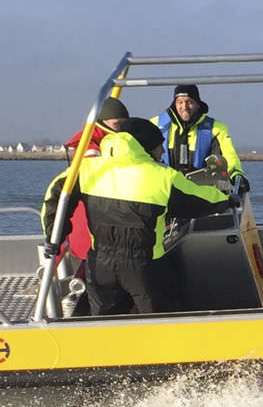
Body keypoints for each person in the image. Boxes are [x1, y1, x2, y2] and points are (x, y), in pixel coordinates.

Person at [53, 117, 229, 315]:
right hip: (145, 268)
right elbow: (204, 202)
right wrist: (227, 197)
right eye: (159, 146)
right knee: (159, 321)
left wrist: (55, 236)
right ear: (146, 148)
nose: (162, 151)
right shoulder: (163, 177)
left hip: (100, 265)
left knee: (103, 325)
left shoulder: (87, 169)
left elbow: (54, 197)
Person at [42, 96, 132, 260]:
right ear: (102, 123)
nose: (121, 130)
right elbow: (60, 191)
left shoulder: (117, 142)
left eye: (123, 125)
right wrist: (53, 233)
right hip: (91, 223)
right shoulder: (91, 150)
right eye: (117, 125)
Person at [155, 84, 250, 193]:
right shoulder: (155, 125)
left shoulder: (216, 129)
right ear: (174, 104)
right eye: (180, 102)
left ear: (198, 104)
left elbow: (228, 155)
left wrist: (237, 175)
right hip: (165, 191)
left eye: (189, 102)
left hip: (202, 194)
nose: (184, 106)